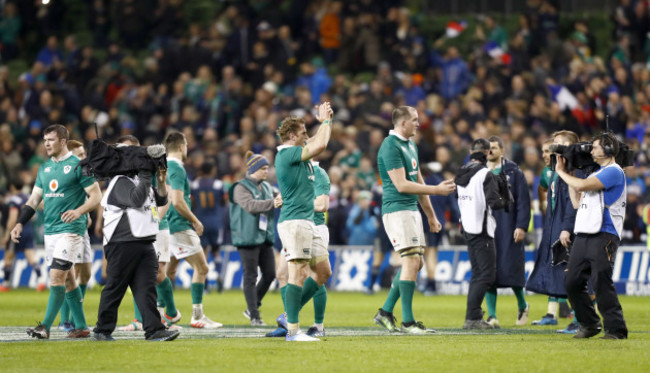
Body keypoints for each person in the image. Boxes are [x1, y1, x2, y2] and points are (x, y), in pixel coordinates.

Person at [12, 124, 102, 339]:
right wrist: (19, 223)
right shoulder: (44, 169)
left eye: (51, 140)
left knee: (56, 276)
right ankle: (80, 327)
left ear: (63, 141)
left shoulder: (79, 166)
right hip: (51, 231)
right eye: (45, 140)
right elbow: (33, 200)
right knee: (69, 279)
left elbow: (96, 196)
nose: (46, 144)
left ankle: (45, 327)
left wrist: (78, 211)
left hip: (71, 230)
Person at [373, 106, 456, 334]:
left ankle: (386, 312)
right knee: (410, 262)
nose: (419, 124)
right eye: (415, 120)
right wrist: (437, 191)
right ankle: (408, 322)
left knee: (417, 263)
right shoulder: (390, 147)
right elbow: (401, 185)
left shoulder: (410, 145)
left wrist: (431, 215)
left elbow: (418, 181)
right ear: (402, 123)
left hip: (411, 211)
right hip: (397, 210)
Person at [93, 141, 179, 342]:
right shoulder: (119, 181)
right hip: (122, 242)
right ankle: (102, 329)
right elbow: (137, 200)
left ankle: (154, 329)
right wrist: (146, 174)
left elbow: (160, 201)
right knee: (116, 287)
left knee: (146, 288)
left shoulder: (138, 179)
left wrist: (160, 181)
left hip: (144, 241)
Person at [554, 133, 628, 339]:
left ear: (609, 150)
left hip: (605, 233)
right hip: (585, 233)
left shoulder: (614, 171)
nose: (591, 151)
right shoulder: (596, 173)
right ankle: (590, 323)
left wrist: (561, 172)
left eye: (595, 147)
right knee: (572, 281)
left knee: (600, 282)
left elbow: (581, 186)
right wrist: (570, 174)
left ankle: (616, 329)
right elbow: (577, 202)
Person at [274, 102, 333, 342]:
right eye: (302, 132)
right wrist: (326, 122)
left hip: (309, 221)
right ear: (291, 136)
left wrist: (327, 120)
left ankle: (289, 314)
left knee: (323, 271)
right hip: (294, 221)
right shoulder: (287, 153)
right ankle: (293, 331)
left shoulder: (299, 154)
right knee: (296, 272)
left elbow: (316, 141)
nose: (307, 135)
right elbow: (321, 143)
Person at [267, 154, 332, 339]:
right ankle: (287, 322)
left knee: (316, 274)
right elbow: (289, 196)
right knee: (282, 274)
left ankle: (313, 323)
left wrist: (291, 202)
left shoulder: (318, 173)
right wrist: (281, 199)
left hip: (314, 227)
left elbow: (322, 204)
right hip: (295, 225)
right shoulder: (297, 172)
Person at [164, 131, 222, 329]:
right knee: (202, 268)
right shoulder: (177, 169)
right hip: (179, 225)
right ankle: (197, 316)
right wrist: (195, 220)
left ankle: (164, 313)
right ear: (181, 147)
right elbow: (178, 201)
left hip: (167, 225)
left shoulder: (163, 167)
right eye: (186, 145)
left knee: (169, 271)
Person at [526, 131, 579, 329]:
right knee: (557, 269)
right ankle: (561, 315)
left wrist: (566, 227)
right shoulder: (552, 171)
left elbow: (573, 203)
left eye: (555, 145)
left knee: (575, 274)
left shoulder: (573, 170)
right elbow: (545, 191)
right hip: (555, 224)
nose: (547, 152)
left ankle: (580, 318)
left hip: (568, 227)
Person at [456, 138, 508, 329]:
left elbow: (458, 199)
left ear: (471, 152)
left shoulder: (461, 173)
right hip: (482, 228)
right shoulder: (485, 174)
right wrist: (504, 195)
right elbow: (495, 203)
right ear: (486, 153)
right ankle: (472, 318)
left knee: (478, 273)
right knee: (486, 275)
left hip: (467, 227)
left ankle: (474, 316)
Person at [484, 136, 531, 327]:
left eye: (494, 148)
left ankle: (522, 305)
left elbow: (523, 202)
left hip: (509, 226)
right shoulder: (480, 171)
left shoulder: (514, 172)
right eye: (488, 148)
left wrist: (521, 225)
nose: (490, 151)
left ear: (502, 151)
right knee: (488, 272)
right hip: (486, 228)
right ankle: (492, 316)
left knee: (511, 270)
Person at [229, 151, 280, 326]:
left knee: (270, 274)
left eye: (267, 168)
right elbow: (249, 206)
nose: (267, 171)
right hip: (246, 237)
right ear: (253, 169)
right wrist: (273, 203)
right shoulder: (239, 187)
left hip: (263, 236)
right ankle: (254, 316)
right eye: (263, 168)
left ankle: (252, 307)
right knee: (250, 275)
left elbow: (278, 197)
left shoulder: (266, 186)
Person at [57, 139, 94, 332]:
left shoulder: (82, 172)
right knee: (72, 274)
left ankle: (72, 317)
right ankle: (66, 320)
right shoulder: (65, 174)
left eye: (84, 153)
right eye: (80, 154)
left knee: (86, 275)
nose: (83, 157)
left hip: (83, 230)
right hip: (71, 230)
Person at [421, 164, 460, 296]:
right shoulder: (442, 185)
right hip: (441, 224)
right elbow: (453, 208)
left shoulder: (424, 185)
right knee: (434, 252)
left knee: (429, 253)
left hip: (428, 224)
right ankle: (431, 283)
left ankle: (431, 284)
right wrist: (453, 221)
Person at [1, 181, 44, 292]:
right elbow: (40, 207)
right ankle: (40, 281)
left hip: (17, 230)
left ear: (12, 187)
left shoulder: (14, 200)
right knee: (31, 257)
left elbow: (13, 218)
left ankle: (5, 284)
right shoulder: (29, 196)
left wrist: (7, 235)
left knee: (8, 258)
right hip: (29, 229)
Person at [190, 161, 227, 293]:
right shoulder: (218, 184)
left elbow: (192, 203)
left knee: (203, 253)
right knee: (216, 251)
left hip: (200, 222)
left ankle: (204, 284)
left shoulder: (194, 185)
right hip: (216, 222)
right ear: (212, 171)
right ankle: (219, 276)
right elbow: (224, 201)